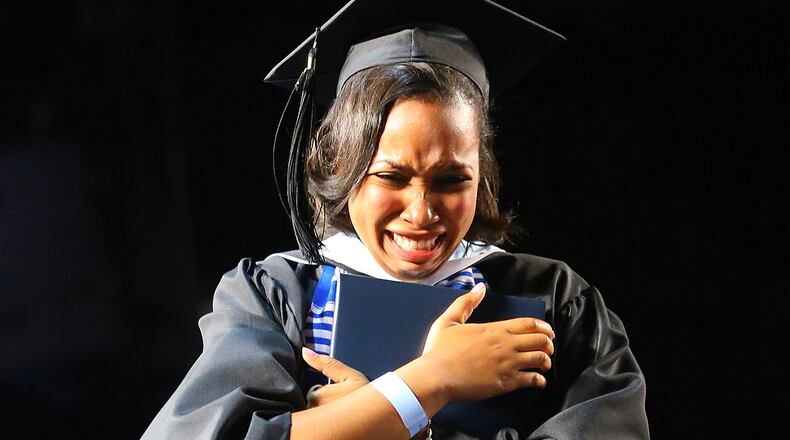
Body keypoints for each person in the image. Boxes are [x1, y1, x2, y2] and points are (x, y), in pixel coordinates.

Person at [142, 1, 649, 439]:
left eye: (452, 180)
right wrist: (429, 382)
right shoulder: (274, 297)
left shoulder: (558, 301)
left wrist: (367, 423)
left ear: (483, 171)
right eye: (390, 176)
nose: (421, 213)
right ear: (342, 166)